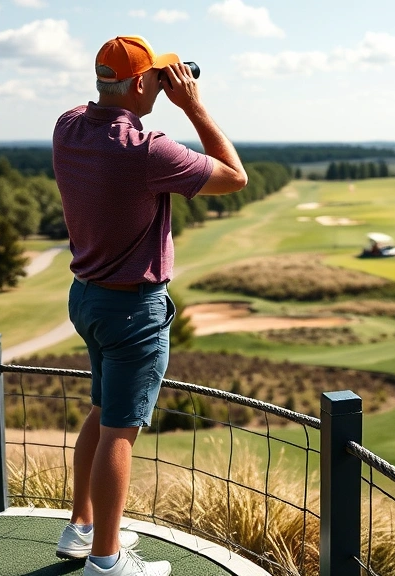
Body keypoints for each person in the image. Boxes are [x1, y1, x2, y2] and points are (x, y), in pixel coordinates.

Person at [51, 35, 247, 576]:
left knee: (101, 411)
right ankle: (107, 561)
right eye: (157, 76)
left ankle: (82, 528)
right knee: (121, 429)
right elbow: (234, 177)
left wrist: (146, 88)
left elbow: (106, 104)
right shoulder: (146, 150)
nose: (165, 82)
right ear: (141, 83)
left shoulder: (67, 126)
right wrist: (194, 105)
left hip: (87, 299)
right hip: (134, 309)